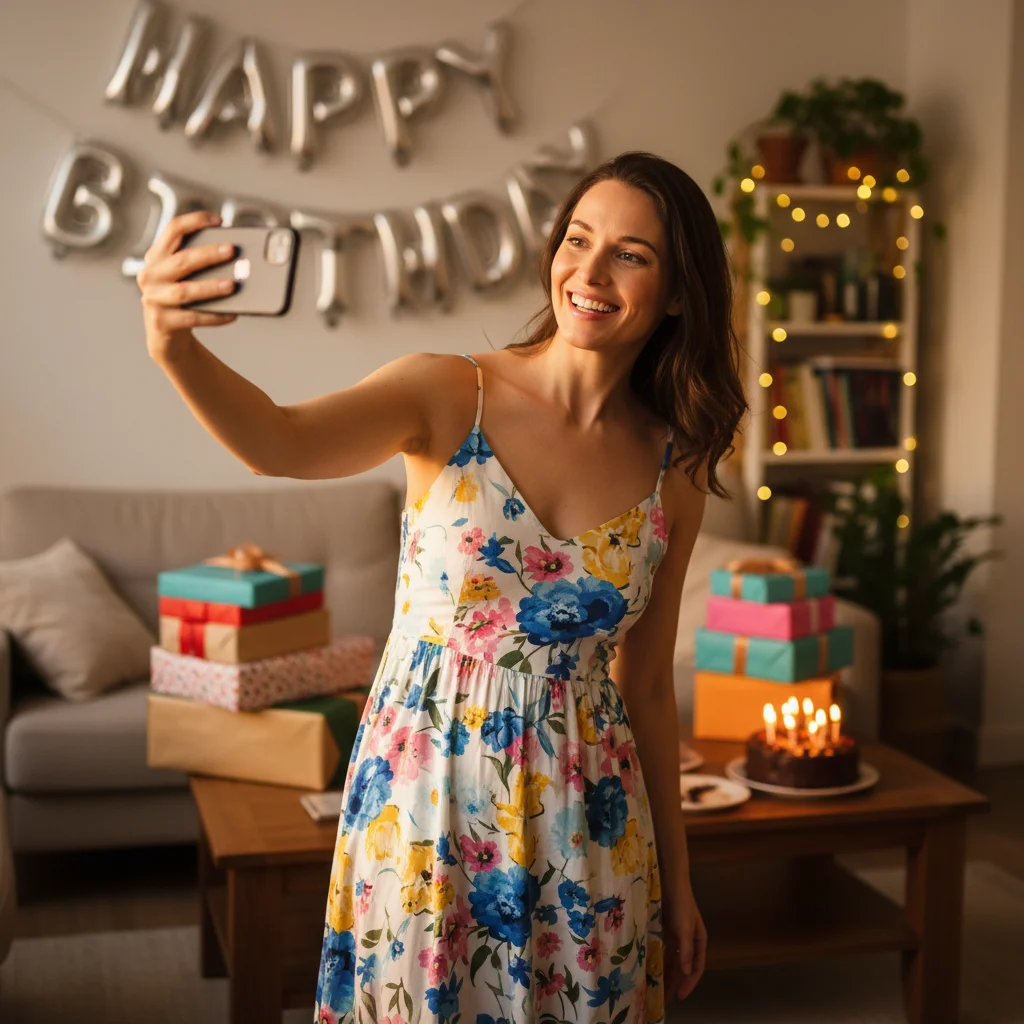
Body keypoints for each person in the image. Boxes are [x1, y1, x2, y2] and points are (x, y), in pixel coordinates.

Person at [138, 151, 746, 1023]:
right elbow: (278, 440)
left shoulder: (677, 464)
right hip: (423, 808)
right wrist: (171, 342)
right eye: (579, 239)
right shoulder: (445, 391)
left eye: (632, 254)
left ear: (679, 292)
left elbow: (645, 685)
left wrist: (680, 884)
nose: (590, 271)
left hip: (590, 833)